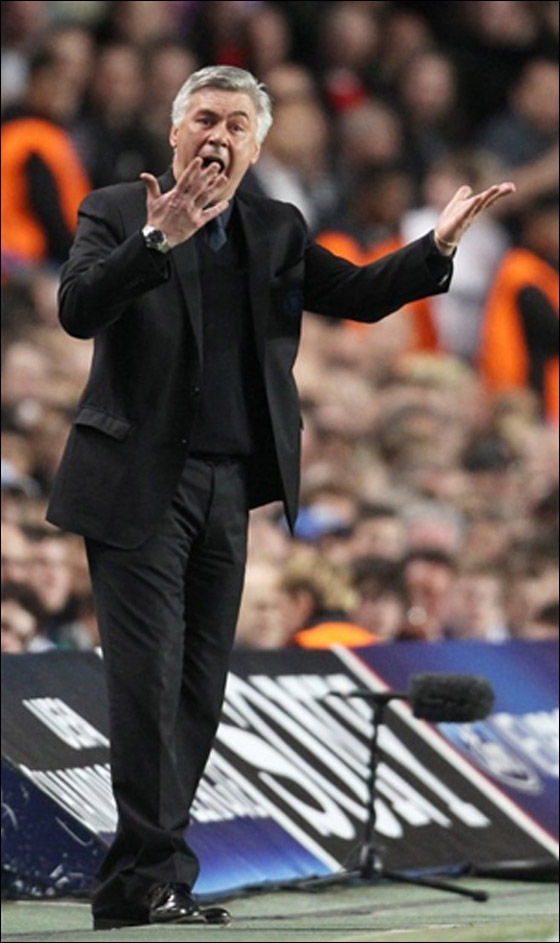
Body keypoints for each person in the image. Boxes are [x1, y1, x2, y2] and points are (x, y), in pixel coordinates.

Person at [45, 65, 515, 930]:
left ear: (257, 147)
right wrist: (156, 239)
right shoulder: (116, 209)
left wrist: (437, 247)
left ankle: (141, 879)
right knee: (147, 684)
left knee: (198, 688)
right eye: (205, 118)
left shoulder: (276, 227)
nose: (218, 136)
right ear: (175, 131)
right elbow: (77, 309)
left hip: (229, 488)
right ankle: (150, 876)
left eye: (238, 124)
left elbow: (359, 297)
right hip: (136, 484)